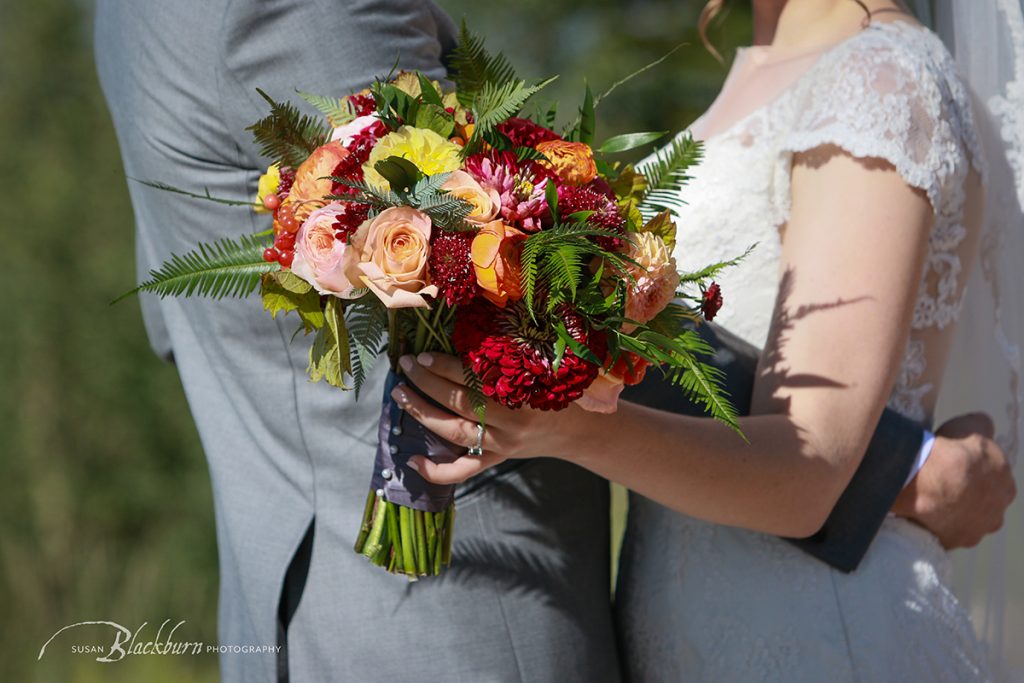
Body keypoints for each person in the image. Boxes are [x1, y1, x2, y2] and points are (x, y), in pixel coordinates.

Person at [94, 0, 1016, 681]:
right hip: (461, 612)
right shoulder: (304, 13)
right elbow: (484, 273)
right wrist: (901, 462)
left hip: (809, 627)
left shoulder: (876, 78)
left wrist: (581, 424)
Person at [394, 0, 1022, 680]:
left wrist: (566, 427)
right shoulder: (761, 61)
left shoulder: (878, 79)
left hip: (819, 635)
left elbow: (806, 474)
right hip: (686, 628)